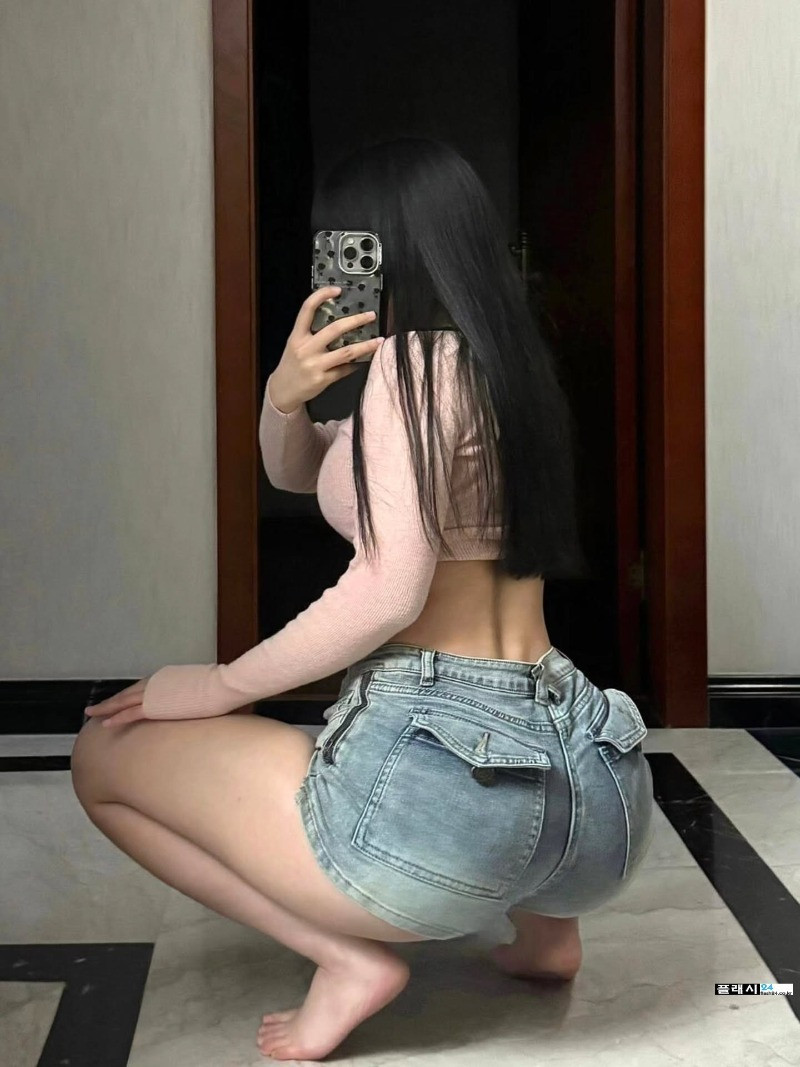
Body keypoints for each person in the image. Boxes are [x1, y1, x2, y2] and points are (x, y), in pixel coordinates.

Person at [70, 138, 654, 1062]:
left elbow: (388, 588)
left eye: (345, 242)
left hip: (461, 778)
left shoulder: (412, 370)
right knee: (491, 799)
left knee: (102, 756)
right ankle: (550, 930)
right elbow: (305, 473)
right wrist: (285, 398)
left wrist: (219, 683)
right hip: (598, 789)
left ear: (384, 248)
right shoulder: (504, 363)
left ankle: (346, 961)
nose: (334, 264)